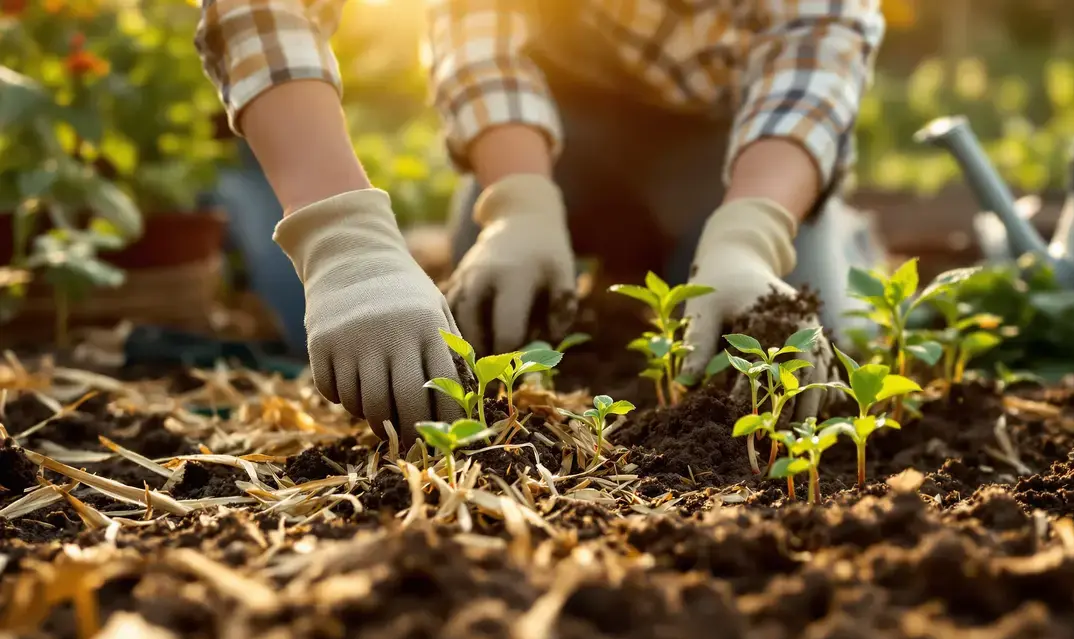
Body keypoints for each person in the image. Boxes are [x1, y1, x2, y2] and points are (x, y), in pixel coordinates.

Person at [194, 0, 885, 441]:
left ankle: (830, 231)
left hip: (723, 135)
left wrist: (751, 236)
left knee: (813, 336)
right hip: (553, 119)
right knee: (491, 308)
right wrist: (347, 238)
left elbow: (818, 49)